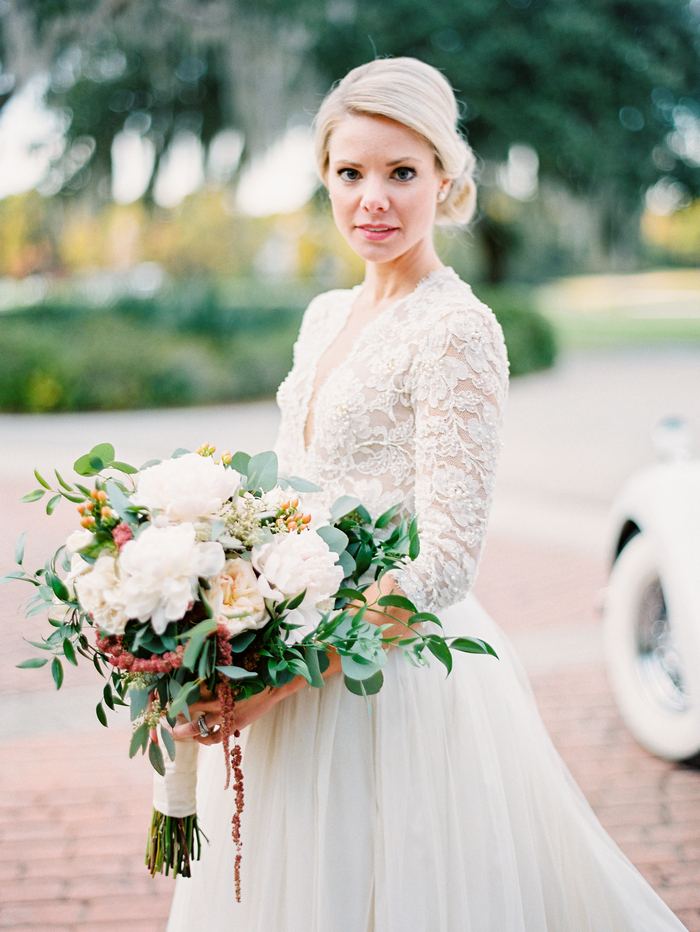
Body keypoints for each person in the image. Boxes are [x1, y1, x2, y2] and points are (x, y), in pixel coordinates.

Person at [167, 58, 687, 931]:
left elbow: (442, 561)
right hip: (288, 664)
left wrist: (279, 684)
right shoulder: (325, 315)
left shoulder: (459, 330)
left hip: (385, 684)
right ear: (326, 178)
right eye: (351, 172)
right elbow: (283, 498)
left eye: (401, 172)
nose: (373, 197)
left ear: (446, 179)